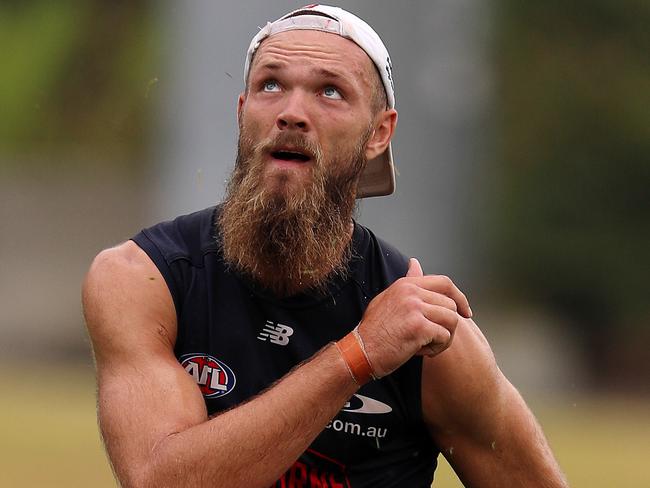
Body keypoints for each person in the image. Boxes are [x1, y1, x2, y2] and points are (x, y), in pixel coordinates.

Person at [82, 5, 567, 487]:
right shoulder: (145, 278)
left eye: (330, 91)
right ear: (241, 111)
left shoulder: (430, 339)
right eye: (270, 85)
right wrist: (359, 355)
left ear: (379, 133)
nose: (292, 113)